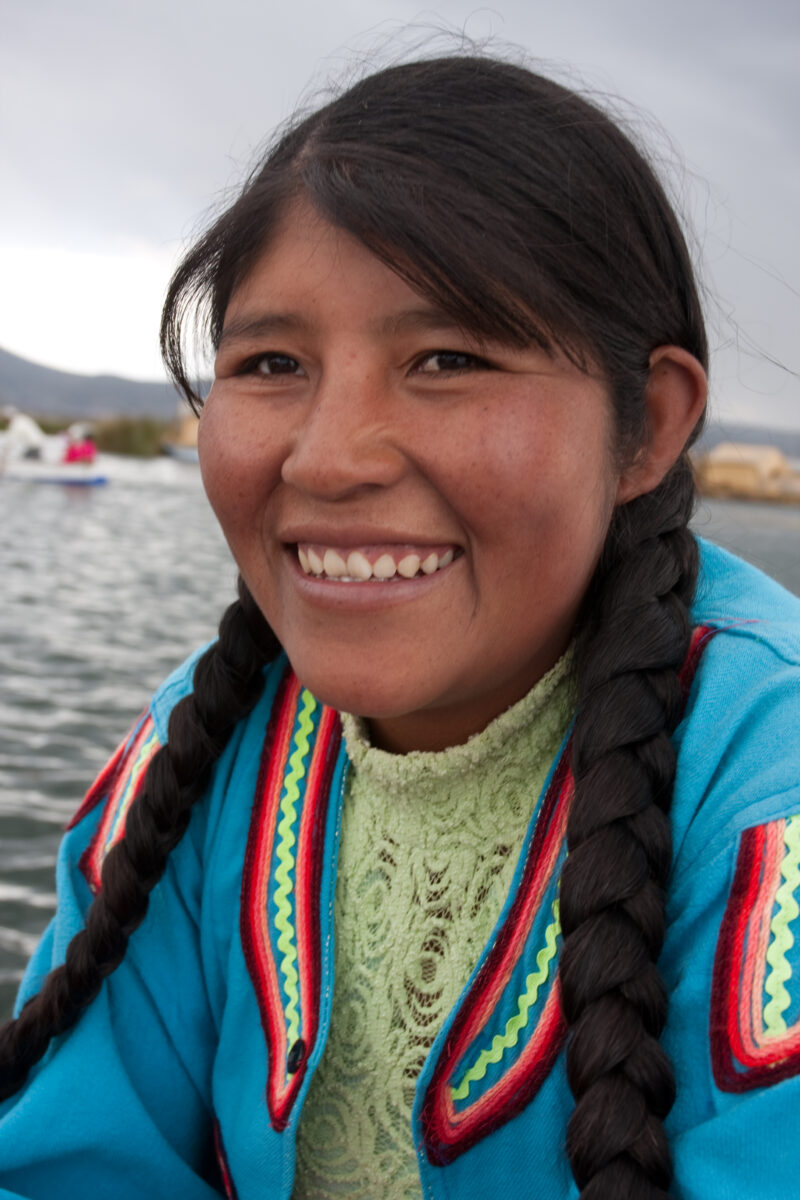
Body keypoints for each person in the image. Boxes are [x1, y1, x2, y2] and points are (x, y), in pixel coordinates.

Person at [1, 53, 799, 1200]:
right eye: (272, 363)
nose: (327, 458)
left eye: (447, 360)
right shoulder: (202, 747)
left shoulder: (761, 781)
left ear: (646, 427)